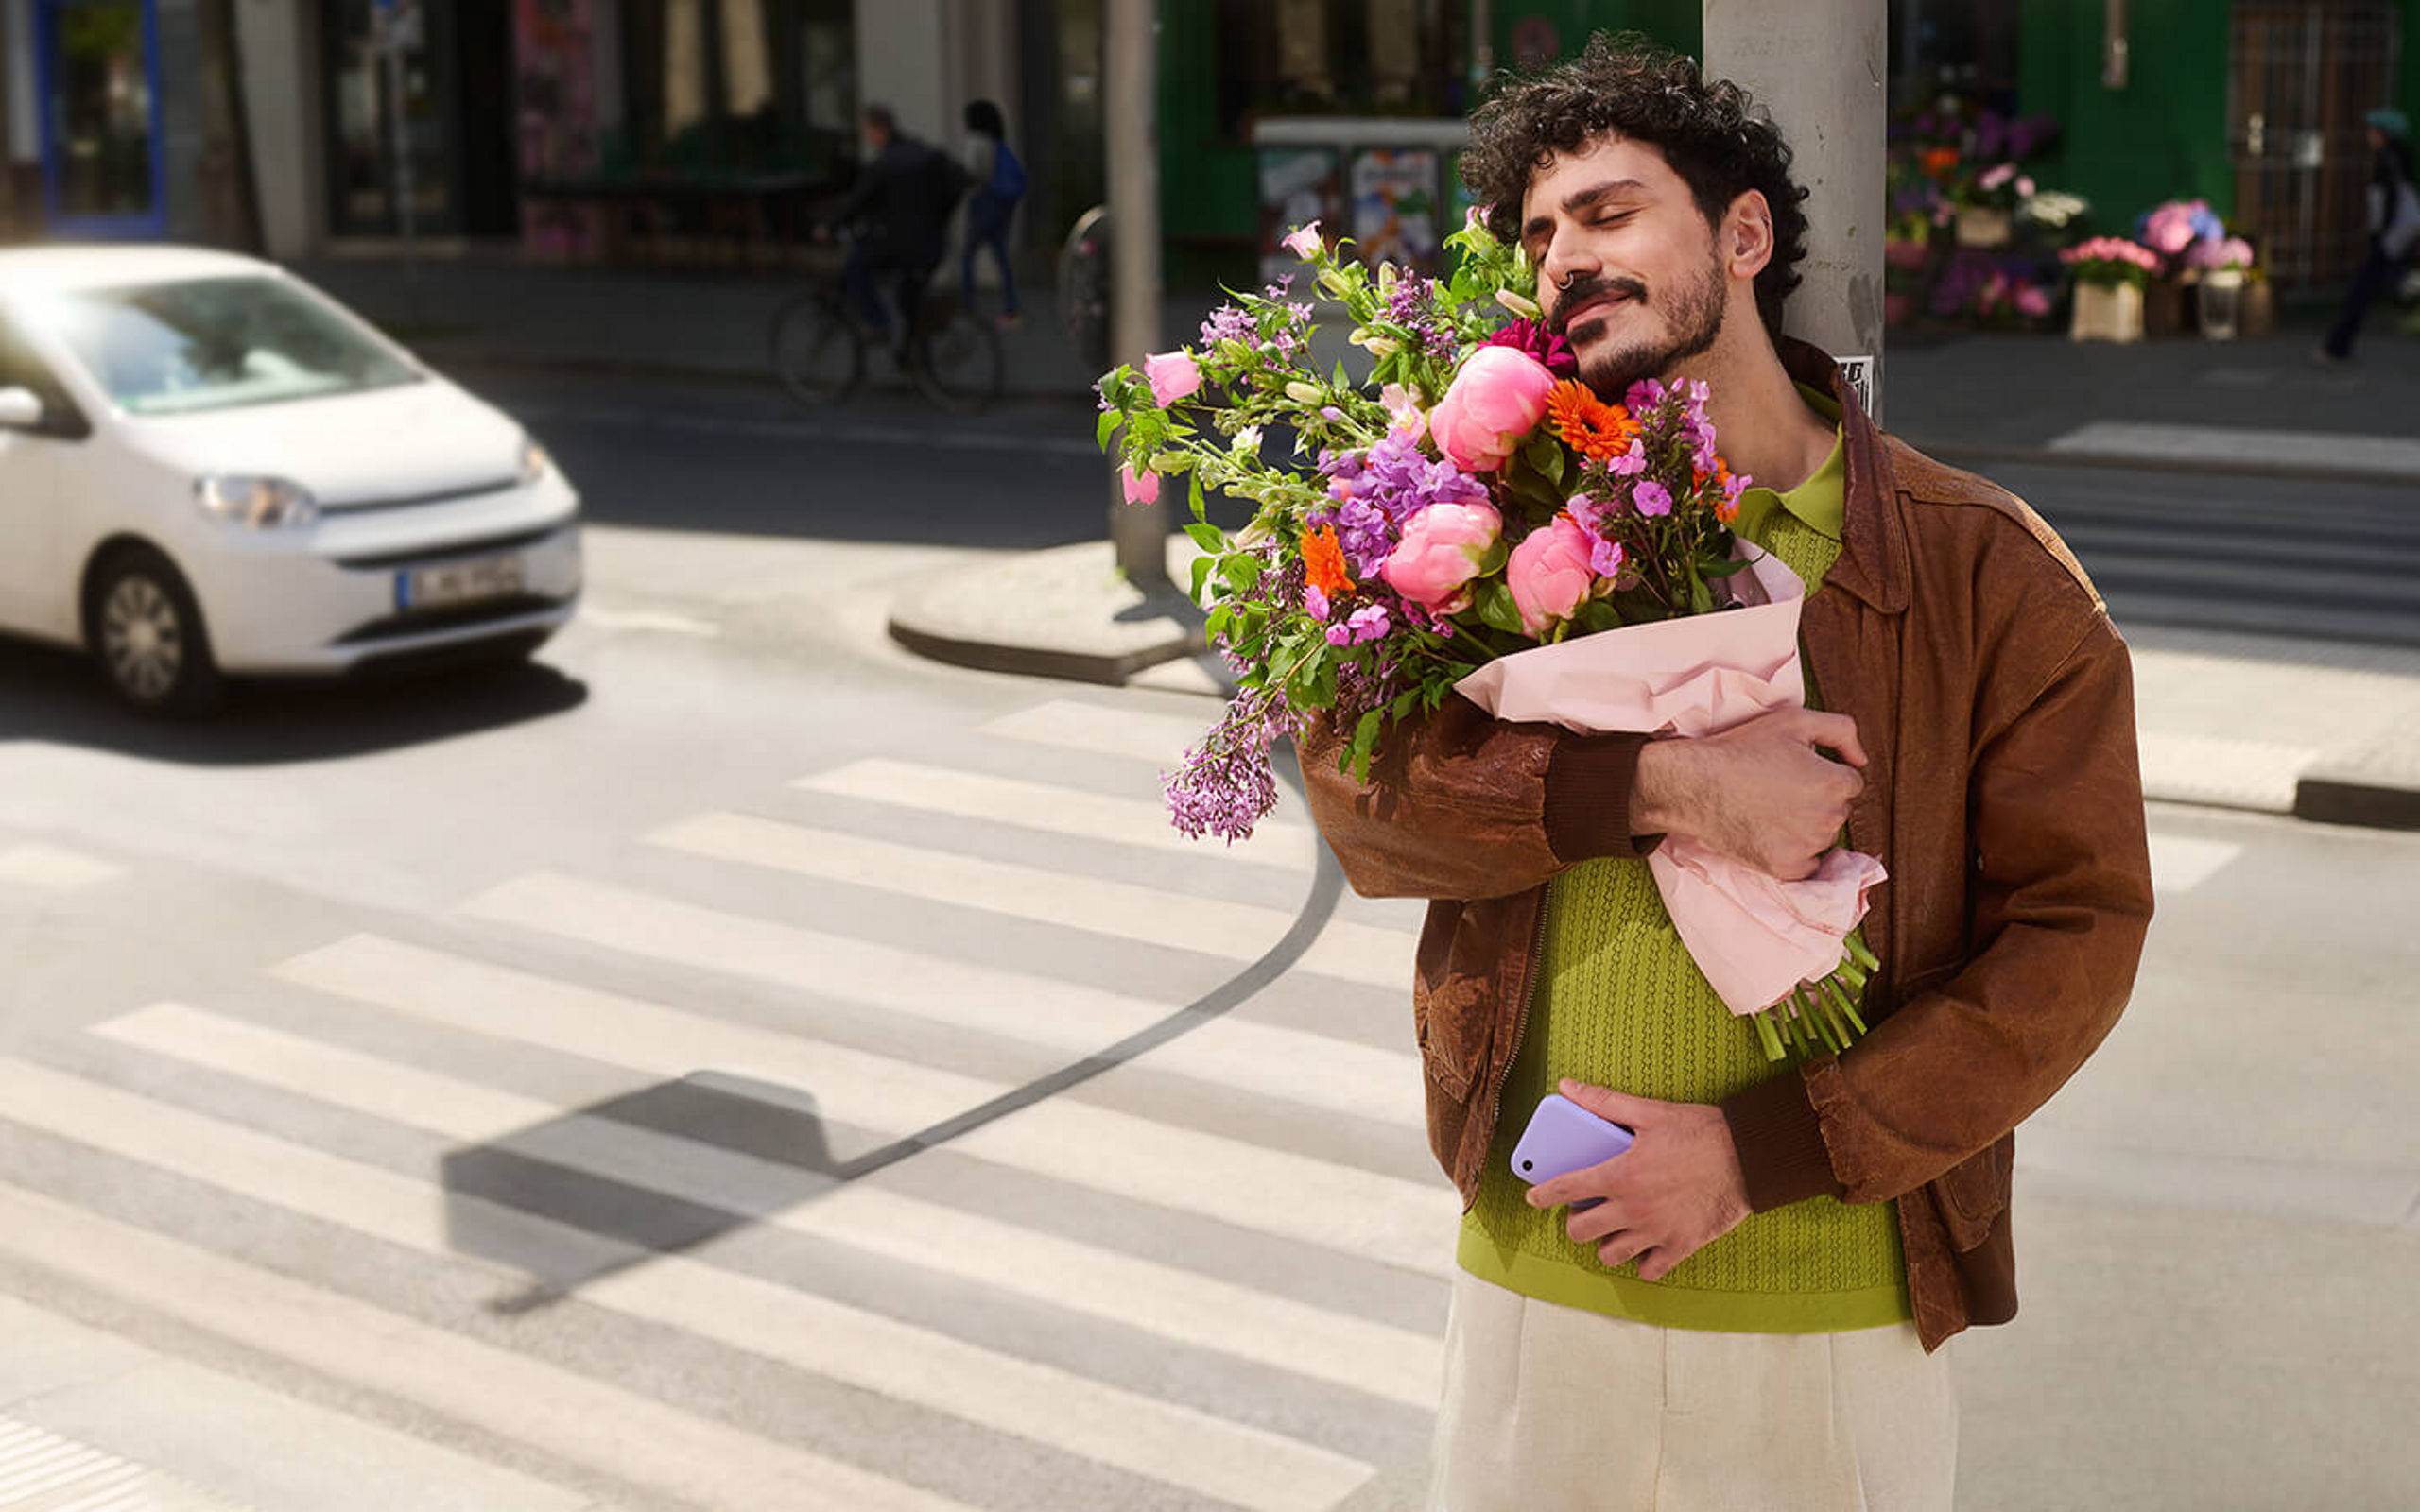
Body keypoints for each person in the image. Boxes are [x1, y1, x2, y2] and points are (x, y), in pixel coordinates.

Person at [1294, 35, 2154, 1510]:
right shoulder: (1491, 522)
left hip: (1828, 1318)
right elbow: (1363, 805)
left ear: (1743, 235)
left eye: (1611, 212)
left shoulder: (1979, 570)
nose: (1564, 257)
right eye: (1539, 235)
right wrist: (1662, 785)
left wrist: (1762, 1155)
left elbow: (2078, 934)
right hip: (1532, 1290)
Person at [825, 105, 968, 357]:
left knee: (855, 266)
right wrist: (939, 217)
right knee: (909, 298)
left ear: (878, 130)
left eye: (867, 132)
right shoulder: (925, 153)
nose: (867, 138)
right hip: (933, 245)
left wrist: (829, 226)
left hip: (903, 247)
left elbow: (856, 202)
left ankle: (878, 323)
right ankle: (917, 361)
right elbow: (960, 181)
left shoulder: (884, 164)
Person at [2319, 106, 2420, 364]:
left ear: (2384, 134)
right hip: (2400, 234)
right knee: (2387, 285)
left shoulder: (2387, 161)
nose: (2369, 136)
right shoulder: (2401, 158)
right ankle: (2337, 346)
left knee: (2362, 290)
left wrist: (2377, 233)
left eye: (2373, 131)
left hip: (2391, 237)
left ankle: (2337, 347)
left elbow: (2383, 201)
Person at [959, 99, 1027, 328]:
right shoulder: (997, 143)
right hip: (1001, 205)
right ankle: (1011, 308)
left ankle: (967, 307)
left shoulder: (976, 142)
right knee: (1002, 257)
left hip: (983, 203)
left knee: (967, 256)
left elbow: (973, 173)